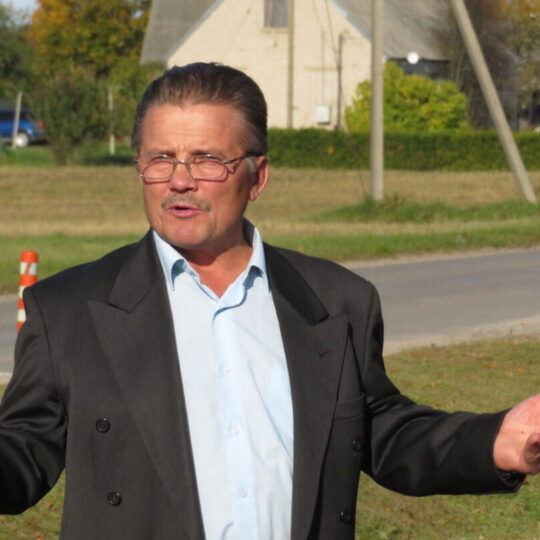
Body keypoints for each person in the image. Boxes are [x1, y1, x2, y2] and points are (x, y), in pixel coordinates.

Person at [0, 62, 539, 540]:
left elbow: (381, 431)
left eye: (208, 160)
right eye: (160, 158)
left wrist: (495, 441)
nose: (179, 181)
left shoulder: (336, 301)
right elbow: (24, 452)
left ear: (257, 177)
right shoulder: (68, 310)